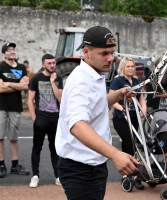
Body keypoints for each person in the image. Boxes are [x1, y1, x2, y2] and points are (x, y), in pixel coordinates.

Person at [55, 26, 140, 200]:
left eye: (112, 52)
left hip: (93, 165)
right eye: (104, 53)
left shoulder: (95, 73)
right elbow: (77, 126)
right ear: (86, 52)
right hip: (80, 169)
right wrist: (115, 154)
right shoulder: (81, 81)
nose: (110, 58)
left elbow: (97, 106)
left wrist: (117, 94)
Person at [0, 43, 30, 178]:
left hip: (16, 107)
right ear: (4, 54)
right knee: (0, 136)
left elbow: (26, 87)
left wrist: (8, 83)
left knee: (13, 137)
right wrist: (18, 85)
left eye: (13, 49)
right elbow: (0, 89)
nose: (12, 52)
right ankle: (2, 166)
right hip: (1, 107)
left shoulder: (21, 68)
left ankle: (15, 165)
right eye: (8, 50)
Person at [109, 57, 147, 190]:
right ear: (123, 68)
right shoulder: (118, 81)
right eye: (128, 66)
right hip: (121, 118)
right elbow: (111, 99)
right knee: (131, 145)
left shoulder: (136, 81)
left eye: (132, 66)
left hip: (134, 118)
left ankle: (126, 176)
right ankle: (135, 175)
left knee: (128, 144)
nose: (130, 68)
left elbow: (141, 98)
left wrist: (144, 109)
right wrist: (122, 108)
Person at [27, 54, 63, 188]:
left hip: (55, 118)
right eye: (49, 63)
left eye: (53, 63)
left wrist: (53, 83)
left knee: (55, 149)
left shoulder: (58, 78)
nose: (52, 65)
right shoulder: (36, 78)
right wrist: (34, 117)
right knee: (37, 148)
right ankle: (35, 176)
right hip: (41, 118)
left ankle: (57, 176)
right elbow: (30, 100)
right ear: (43, 64)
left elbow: (60, 98)